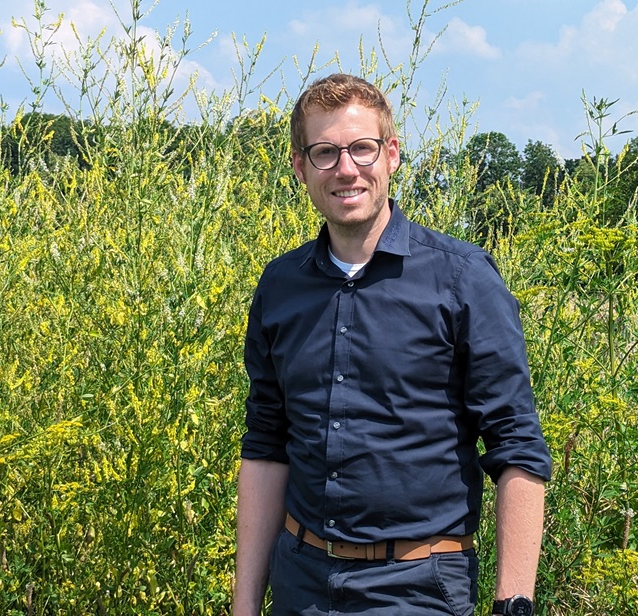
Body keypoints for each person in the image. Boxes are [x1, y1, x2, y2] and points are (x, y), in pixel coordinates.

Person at [233, 73, 552, 616]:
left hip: (419, 587)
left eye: (362, 148)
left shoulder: (463, 278)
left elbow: (516, 445)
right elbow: (267, 446)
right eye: (325, 152)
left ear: (392, 154)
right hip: (300, 582)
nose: (346, 168)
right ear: (300, 166)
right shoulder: (280, 286)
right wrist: (244, 606)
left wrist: (513, 601)